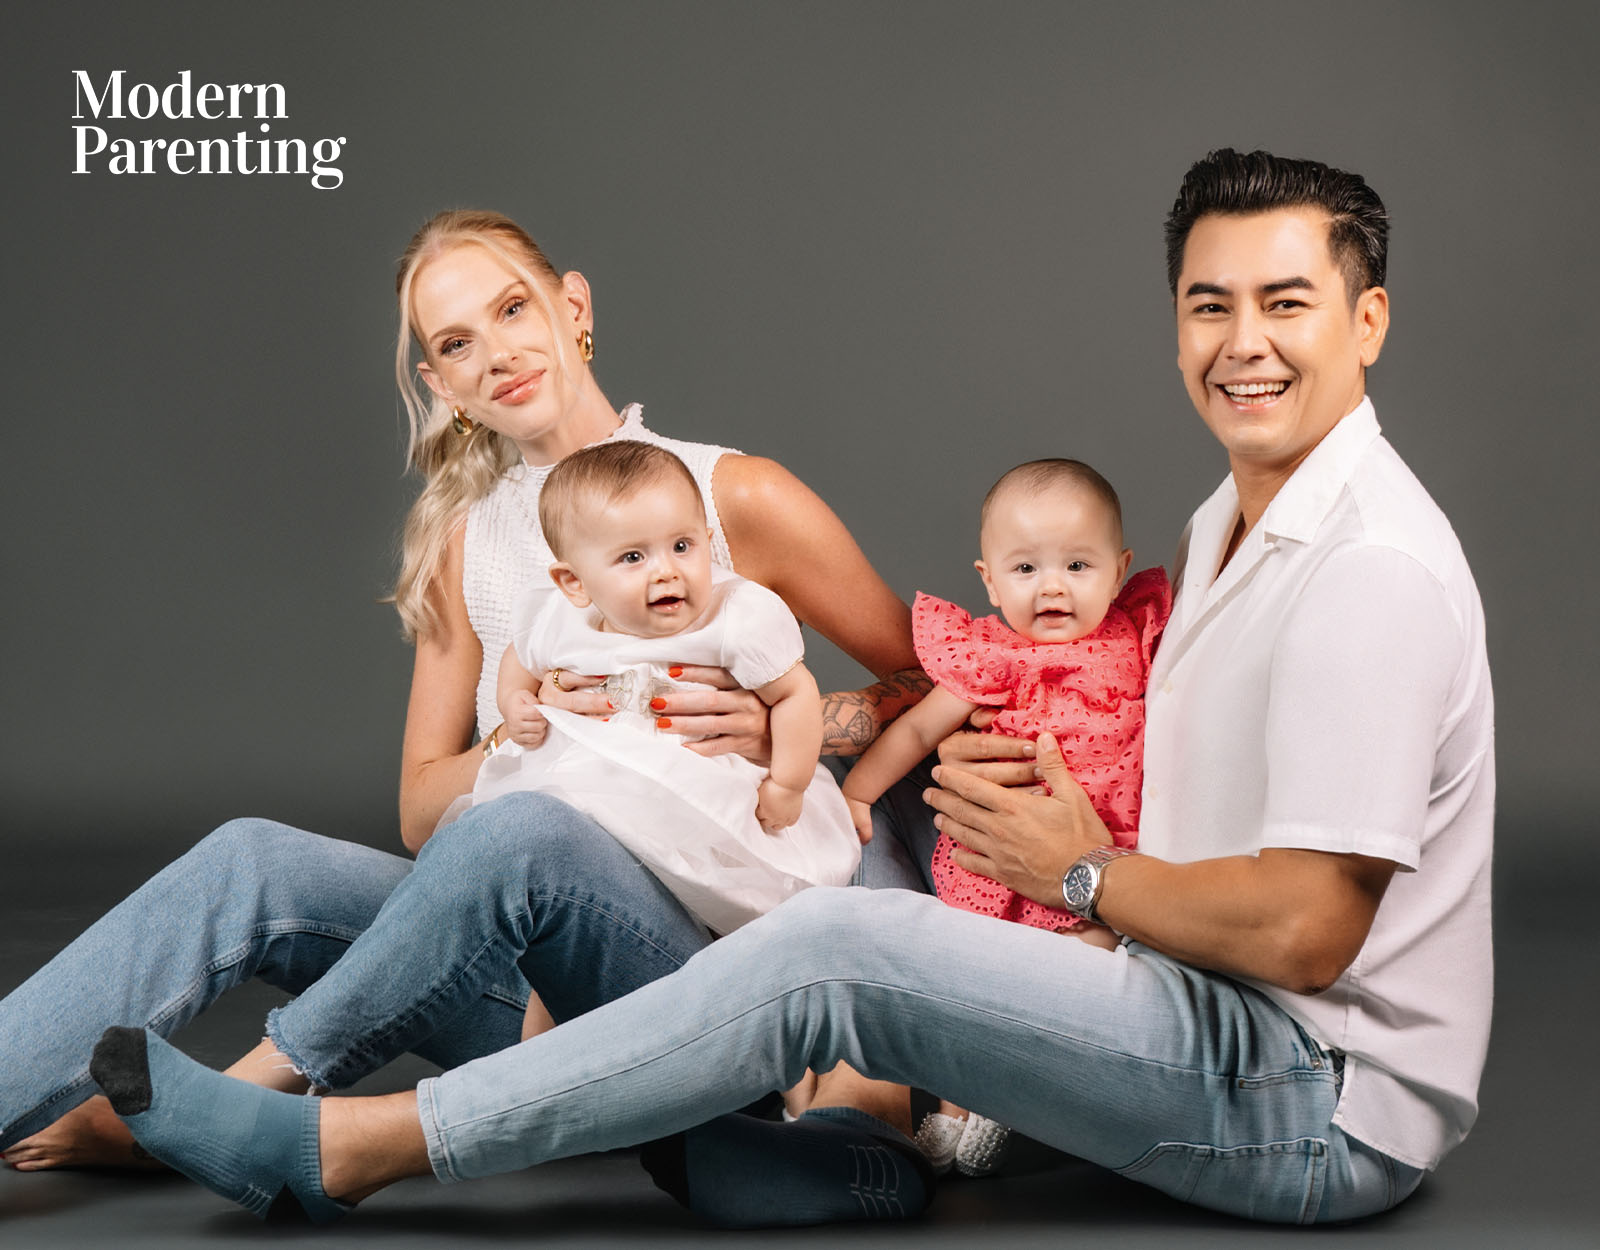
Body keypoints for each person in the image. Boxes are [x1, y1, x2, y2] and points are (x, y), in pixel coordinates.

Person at [86, 148, 1495, 1228]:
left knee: (833, 948)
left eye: (1287, 304)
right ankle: (786, 1129)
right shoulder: (1229, 526)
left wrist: (1082, 879)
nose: (1242, 340)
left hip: (1312, 1100)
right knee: (831, 871)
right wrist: (832, 738)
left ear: (1368, 321)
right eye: (1210, 304)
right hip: (1172, 993)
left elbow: (1311, 930)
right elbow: (1028, 708)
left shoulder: (1367, 568)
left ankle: (356, 1143)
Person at [0, 210, 929, 1183]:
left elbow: (960, 678)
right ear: (442, 385)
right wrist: (538, 734)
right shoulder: (467, 547)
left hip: (694, 973)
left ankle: (234, 1109)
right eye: (455, 343)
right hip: (521, 974)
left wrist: (793, 724)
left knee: (527, 832)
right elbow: (418, 805)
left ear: (573, 308)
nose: (496, 353)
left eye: (512, 308)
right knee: (249, 860)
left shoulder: (728, 494)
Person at [841, 458, 1169, 1175]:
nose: (1052, 586)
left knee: (1087, 963)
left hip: (1104, 855)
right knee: (975, 984)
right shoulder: (992, 657)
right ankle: (953, 1111)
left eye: (1077, 565)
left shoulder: (1138, 642)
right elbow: (916, 732)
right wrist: (859, 793)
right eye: (1026, 569)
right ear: (989, 580)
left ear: (1119, 572)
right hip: (997, 864)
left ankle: (1003, 1094)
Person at [469, 439, 860, 937]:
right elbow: (519, 659)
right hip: (596, 800)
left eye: (682, 546)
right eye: (633, 556)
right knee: (564, 904)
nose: (667, 569)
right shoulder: (560, 617)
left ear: (707, 539)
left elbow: (795, 695)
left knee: (735, 905)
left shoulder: (734, 619)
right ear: (574, 582)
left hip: (715, 802)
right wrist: (516, 702)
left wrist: (787, 783)